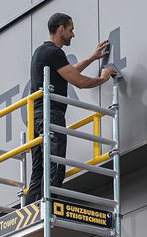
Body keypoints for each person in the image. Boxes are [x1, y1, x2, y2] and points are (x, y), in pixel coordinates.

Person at [25, 13, 116, 204]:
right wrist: (104, 78)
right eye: (71, 29)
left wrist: (92, 58)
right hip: (50, 115)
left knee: (39, 168)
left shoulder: (42, 52)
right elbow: (79, 82)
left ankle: (32, 209)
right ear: (61, 29)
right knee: (56, 164)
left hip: (36, 118)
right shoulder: (54, 53)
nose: (73, 34)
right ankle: (49, 206)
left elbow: (70, 71)